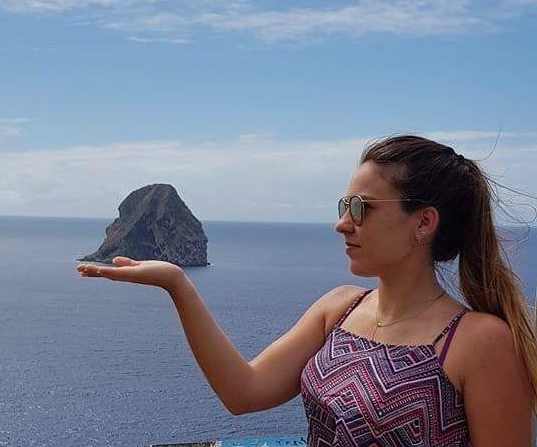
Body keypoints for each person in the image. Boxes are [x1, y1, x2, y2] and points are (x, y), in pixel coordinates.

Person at [77, 134, 537, 446]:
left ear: (423, 222)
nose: (342, 224)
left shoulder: (480, 343)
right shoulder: (338, 310)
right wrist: (178, 284)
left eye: (361, 208)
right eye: (344, 205)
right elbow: (243, 392)